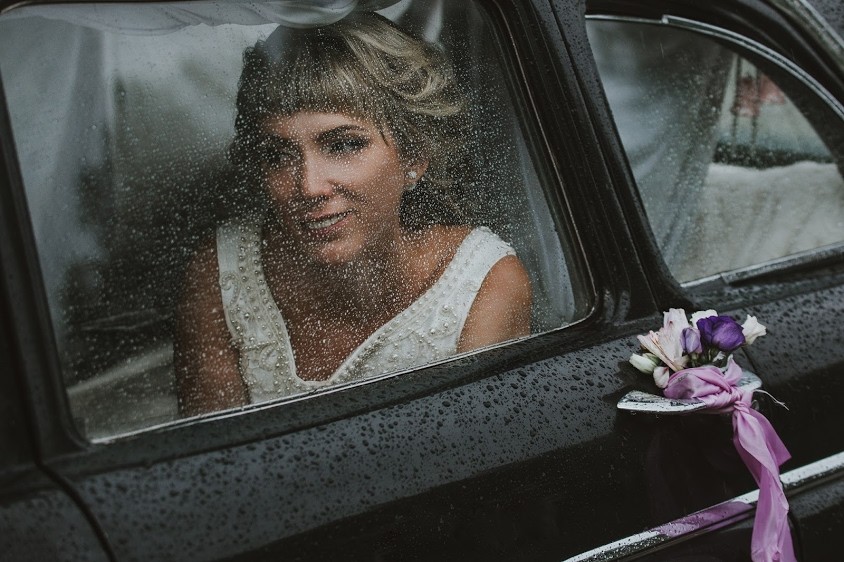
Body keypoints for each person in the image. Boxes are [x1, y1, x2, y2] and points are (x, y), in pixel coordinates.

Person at [175, 12, 532, 416]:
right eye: (278, 155)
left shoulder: (483, 284)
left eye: (344, 145)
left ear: (414, 154)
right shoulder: (222, 275)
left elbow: (475, 447)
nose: (309, 186)